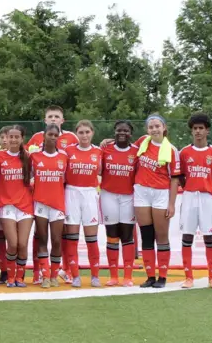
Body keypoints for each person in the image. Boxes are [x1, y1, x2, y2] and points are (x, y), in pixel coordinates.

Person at [134, 115, 180, 289]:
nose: (154, 129)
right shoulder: (142, 143)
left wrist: (172, 204)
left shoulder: (171, 150)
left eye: (157, 126)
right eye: (151, 127)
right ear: (147, 130)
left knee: (161, 236)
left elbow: (175, 179)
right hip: (141, 192)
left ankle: (162, 277)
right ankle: (150, 276)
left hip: (161, 193)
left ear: (164, 127)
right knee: (146, 235)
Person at [179, 113, 212, 288]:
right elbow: (181, 176)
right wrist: (190, 186)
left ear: (207, 130)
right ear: (192, 131)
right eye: (195, 128)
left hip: (207, 198)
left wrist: (207, 189)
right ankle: (188, 277)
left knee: (209, 237)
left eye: (201, 128)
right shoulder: (183, 152)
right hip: (189, 196)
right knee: (187, 237)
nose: (198, 131)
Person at [63, 120, 103, 288]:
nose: (84, 135)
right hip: (71, 193)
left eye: (87, 132)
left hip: (90, 194)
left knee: (91, 239)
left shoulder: (99, 152)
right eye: (81, 132)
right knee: (71, 238)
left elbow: (102, 172)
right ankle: (75, 276)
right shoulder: (68, 151)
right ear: (76, 134)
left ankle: (95, 276)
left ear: (92, 133)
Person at [100, 121, 139, 286]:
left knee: (127, 235)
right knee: (112, 235)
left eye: (126, 131)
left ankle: (128, 276)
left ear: (131, 134)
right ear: (114, 132)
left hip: (129, 197)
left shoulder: (137, 152)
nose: (122, 133)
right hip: (108, 195)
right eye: (119, 130)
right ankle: (113, 276)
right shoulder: (105, 149)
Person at [0, 125, 33, 287]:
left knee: (23, 244)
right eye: (11, 137)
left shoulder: (29, 157)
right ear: (6, 138)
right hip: (7, 205)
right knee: (13, 243)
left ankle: (20, 277)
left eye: (17, 137)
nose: (13, 140)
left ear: (22, 138)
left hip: (25, 206)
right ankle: (10, 277)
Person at [30, 125, 67, 288]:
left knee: (57, 241)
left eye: (55, 135)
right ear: (43, 136)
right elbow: (28, 178)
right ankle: (45, 275)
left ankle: (54, 275)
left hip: (58, 204)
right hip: (40, 203)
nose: (52, 137)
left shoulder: (64, 156)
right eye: (49, 134)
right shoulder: (34, 156)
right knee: (42, 239)